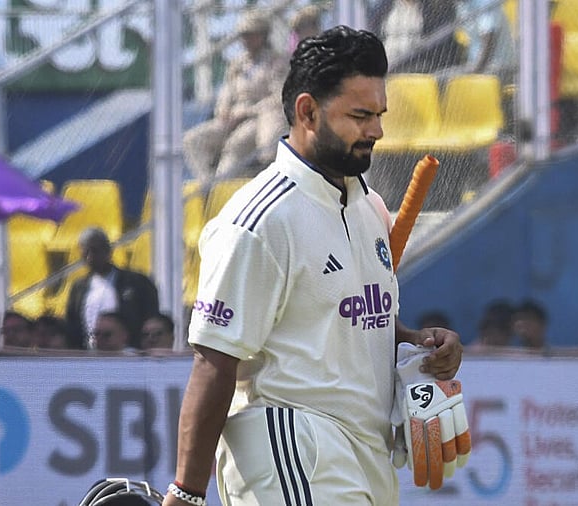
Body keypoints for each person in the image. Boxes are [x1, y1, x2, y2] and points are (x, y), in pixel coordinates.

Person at [163, 26, 462, 506]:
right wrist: (186, 494)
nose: (377, 130)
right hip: (290, 444)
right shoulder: (258, 221)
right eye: (360, 115)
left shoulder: (369, 208)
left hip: (364, 454)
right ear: (307, 111)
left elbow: (348, 317)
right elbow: (214, 361)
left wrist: (416, 342)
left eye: (379, 115)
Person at [182, 8, 289, 187]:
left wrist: (246, 112)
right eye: (243, 35)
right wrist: (223, 110)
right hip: (232, 117)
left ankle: (222, 187)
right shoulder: (237, 64)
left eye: (250, 35)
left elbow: (279, 98)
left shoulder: (276, 62)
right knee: (192, 140)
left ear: (262, 35)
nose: (245, 40)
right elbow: (227, 92)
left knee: (235, 145)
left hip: (258, 118)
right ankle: (207, 186)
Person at [64, 227, 159, 350]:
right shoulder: (78, 288)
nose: (90, 257)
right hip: (90, 355)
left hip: (130, 354)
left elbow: (151, 317)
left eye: (95, 251)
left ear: (108, 251)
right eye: (85, 252)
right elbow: (72, 323)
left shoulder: (136, 282)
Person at [375, 0, 463, 73]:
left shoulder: (435, 10)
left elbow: (439, 47)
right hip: (384, 64)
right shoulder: (384, 7)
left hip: (418, 67)